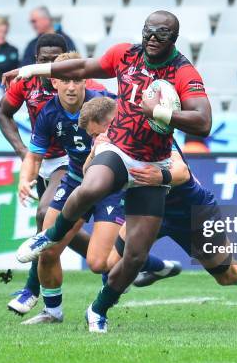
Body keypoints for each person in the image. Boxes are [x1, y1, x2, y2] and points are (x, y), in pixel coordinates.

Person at [6, 10, 212, 333]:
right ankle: (49, 235)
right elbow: (84, 67)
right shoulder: (125, 54)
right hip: (118, 148)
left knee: (133, 257)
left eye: (162, 33)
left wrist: (160, 112)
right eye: (149, 31)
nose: (153, 38)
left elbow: (203, 121)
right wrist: (33, 69)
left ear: (174, 38)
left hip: (152, 164)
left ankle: (97, 309)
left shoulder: (183, 71)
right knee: (91, 186)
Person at [78, 96, 237, 332]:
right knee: (113, 262)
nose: (95, 138)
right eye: (92, 135)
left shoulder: (149, 131)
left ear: (113, 122)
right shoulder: (105, 143)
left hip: (189, 212)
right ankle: (98, 310)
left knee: (227, 274)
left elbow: (181, 172)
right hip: (146, 210)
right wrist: (95, 150)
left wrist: (161, 177)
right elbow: (88, 173)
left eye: (96, 133)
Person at [17, 55, 181, 325]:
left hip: (112, 186)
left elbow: (146, 133)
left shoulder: (109, 104)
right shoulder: (48, 112)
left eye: (77, 80)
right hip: (76, 180)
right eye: (65, 81)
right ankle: (52, 312)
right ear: (54, 82)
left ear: (85, 80)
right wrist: (26, 178)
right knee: (48, 250)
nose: (71, 87)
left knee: (99, 262)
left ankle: (145, 265)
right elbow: (36, 157)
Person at [0, 34, 92, 316]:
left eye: (55, 61)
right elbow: (4, 114)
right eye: (43, 61)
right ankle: (125, 265)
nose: (49, 66)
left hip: (70, 158)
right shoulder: (25, 83)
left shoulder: (76, 84)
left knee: (44, 215)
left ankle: (31, 291)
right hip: (40, 157)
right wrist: (22, 151)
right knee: (63, 229)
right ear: (35, 61)